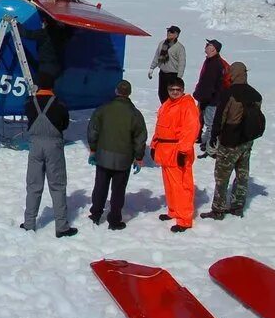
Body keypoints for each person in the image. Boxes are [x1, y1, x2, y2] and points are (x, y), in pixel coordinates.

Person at [201, 61, 263, 219]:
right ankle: (237, 206)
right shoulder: (256, 95)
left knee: (222, 176)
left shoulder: (229, 93)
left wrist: (214, 135)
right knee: (242, 174)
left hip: (230, 140)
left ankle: (218, 209)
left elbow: (220, 117)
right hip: (247, 140)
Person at [86, 79, 148, 230]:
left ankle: (95, 214)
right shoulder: (135, 114)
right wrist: (139, 157)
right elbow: (140, 138)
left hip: (103, 156)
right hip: (124, 158)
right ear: (129, 93)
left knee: (100, 186)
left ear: (116, 91)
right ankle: (114, 220)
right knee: (118, 190)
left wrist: (93, 149)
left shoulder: (103, 109)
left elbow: (93, 130)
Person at [21, 88, 77, 238]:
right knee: (57, 186)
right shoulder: (60, 104)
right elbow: (65, 124)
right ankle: (61, 227)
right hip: (54, 146)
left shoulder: (29, 103)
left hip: (35, 146)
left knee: (33, 185)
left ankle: (29, 223)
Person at [151, 76, 198, 233]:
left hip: (177, 150)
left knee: (181, 186)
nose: (175, 92)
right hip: (165, 150)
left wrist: (183, 150)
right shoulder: (167, 104)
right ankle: (173, 211)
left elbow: (190, 129)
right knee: (170, 184)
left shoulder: (187, 105)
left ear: (183, 90)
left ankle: (184, 219)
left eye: (178, 90)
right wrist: (154, 145)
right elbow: (160, 127)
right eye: (172, 89)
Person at [193, 39, 226, 158]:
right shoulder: (211, 61)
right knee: (209, 122)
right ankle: (206, 143)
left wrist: (201, 97)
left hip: (212, 99)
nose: (206, 46)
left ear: (214, 49)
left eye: (209, 45)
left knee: (211, 123)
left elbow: (209, 84)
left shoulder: (214, 64)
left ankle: (210, 146)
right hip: (210, 98)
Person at [146, 25, 186, 102]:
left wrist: (179, 78)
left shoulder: (179, 47)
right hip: (163, 74)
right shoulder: (162, 44)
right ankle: (164, 110)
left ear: (176, 35)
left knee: (171, 96)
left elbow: (182, 63)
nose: (169, 33)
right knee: (161, 93)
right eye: (168, 31)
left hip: (173, 75)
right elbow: (157, 56)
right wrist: (152, 68)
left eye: (172, 32)